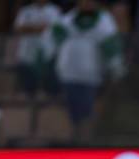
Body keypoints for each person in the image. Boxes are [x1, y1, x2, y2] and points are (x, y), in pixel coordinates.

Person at [44, 0, 124, 142]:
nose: (87, 3)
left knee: (87, 113)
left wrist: (116, 68)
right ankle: (75, 142)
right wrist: (46, 60)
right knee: (73, 114)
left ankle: (86, 143)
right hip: (68, 73)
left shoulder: (104, 21)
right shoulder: (68, 19)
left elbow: (112, 47)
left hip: (90, 75)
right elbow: (51, 40)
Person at [13, 0, 62, 98]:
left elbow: (56, 29)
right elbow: (18, 28)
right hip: (27, 51)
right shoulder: (25, 10)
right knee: (28, 86)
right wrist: (38, 28)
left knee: (49, 85)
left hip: (48, 51)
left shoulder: (54, 10)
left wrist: (29, 28)